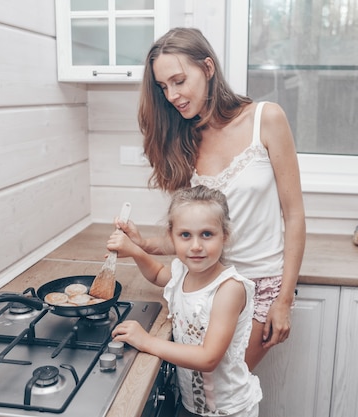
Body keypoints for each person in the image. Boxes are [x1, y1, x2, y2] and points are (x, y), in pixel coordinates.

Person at [115, 27, 306, 371]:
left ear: (207, 68)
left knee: (223, 382)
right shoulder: (184, 139)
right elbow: (200, 233)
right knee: (200, 391)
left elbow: (294, 216)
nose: (171, 95)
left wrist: (284, 300)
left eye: (178, 80)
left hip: (260, 285)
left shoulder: (266, 118)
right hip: (205, 284)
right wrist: (146, 244)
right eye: (163, 87)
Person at [110, 185, 262, 417]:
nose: (196, 246)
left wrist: (146, 341)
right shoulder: (183, 270)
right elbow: (158, 274)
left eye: (207, 234)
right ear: (172, 236)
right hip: (193, 403)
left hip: (228, 410)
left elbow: (208, 358)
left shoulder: (228, 289)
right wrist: (135, 251)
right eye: (185, 235)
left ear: (225, 236)